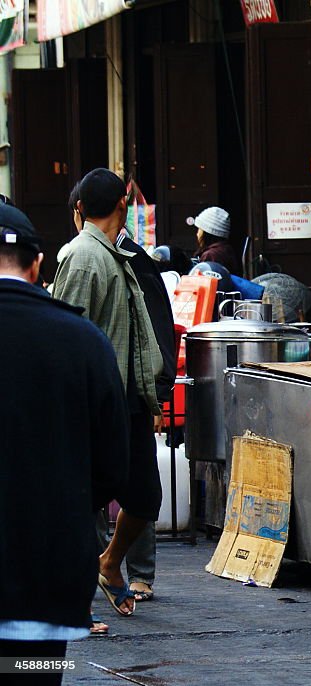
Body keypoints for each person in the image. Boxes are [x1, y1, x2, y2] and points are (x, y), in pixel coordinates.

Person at [0, 204, 128, 681]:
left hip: (45, 567)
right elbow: (114, 463)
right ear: (37, 267)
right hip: (44, 578)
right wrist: (68, 504)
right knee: (30, 675)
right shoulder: (84, 342)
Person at [51, 168, 164, 618]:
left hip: (128, 398)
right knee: (83, 501)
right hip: (96, 403)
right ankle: (73, 603)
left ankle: (110, 564)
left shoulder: (118, 253)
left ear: (80, 208)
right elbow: (67, 332)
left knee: (145, 497)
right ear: (124, 204)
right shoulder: (81, 257)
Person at [192, 206, 241, 275]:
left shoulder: (211, 256)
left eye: (200, 229)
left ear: (207, 232)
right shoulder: (226, 249)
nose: (197, 234)